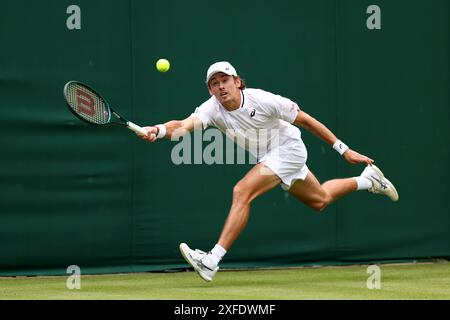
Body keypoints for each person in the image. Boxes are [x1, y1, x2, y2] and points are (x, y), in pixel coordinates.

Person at [140, 61, 399, 282]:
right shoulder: (212, 108)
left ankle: (211, 261)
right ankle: (368, 180)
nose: (221, 86)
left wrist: (344, 150)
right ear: (210, 89)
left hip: (289, 149)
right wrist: (159, 130)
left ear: (238, 82)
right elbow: (184, 125)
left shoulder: (263, 100)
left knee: (242, 191)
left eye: (225, 80)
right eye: (214, 83)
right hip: (268, 156)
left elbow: (305, 120)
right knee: (320, 200)